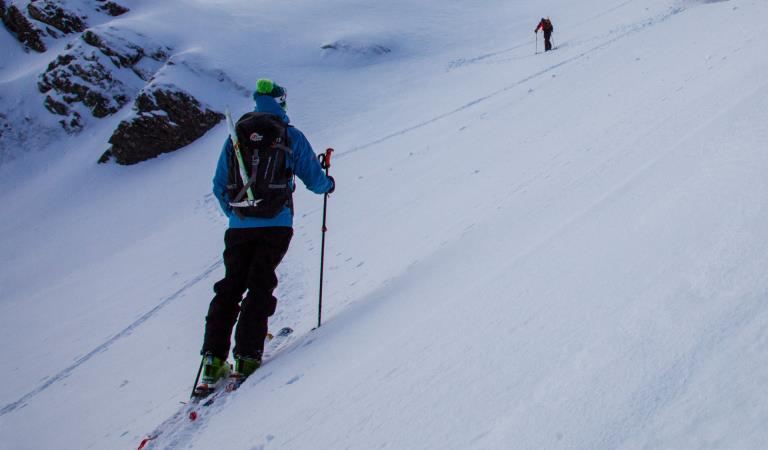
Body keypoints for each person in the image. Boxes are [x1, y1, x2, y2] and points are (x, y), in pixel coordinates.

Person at [196, 79, 335, 394]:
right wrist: (329, 184)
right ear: (280, 103)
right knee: (260, 283)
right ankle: (246, 356)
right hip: (276, 223)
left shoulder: (236, 137)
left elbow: (219, 185)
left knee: (230, 287)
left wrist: (238, 214)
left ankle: (212, 359)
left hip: (240, 224)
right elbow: (313, 179)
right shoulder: (288, 135)